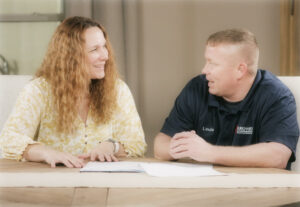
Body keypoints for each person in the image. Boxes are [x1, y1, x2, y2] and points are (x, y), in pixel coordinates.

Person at [0, 16, 147, 168]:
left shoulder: (118, 90)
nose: (105, 56)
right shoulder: (38, 91)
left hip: (104, 183)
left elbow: (137, 143)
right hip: (53, 183)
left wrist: (111, 146)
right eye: (94, 49)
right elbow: (9, 140)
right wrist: (46, 153)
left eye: (104, 47)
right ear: (70, 57)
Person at [154, 28, 299, 169]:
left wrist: (209, 152)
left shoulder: (277, 96)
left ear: (240, 70)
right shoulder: (197, 88)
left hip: (259, 189)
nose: (204, 70)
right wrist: (177, 148)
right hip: (206, 187)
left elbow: (278, 156)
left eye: (213, 63)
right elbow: (160, 145)